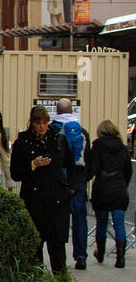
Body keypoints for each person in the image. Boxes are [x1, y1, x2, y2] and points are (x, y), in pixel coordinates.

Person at [11, 105, 77, 274]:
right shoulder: (22, 142)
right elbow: (15, 173)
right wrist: (33, 165)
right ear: (31, 123)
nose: (42, 126)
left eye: (45, 122)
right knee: (35, 246)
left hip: (57, 200)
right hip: (35, 200)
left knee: (57, 247)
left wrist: (71, 189)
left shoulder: (58, 139)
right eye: (38, 122)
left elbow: (71, 166)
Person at [52, 98, 91, 269]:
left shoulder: (53, 129)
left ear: (57, 111)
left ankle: (58, 254)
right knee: (79, 217)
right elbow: (86, 157)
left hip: (58, 177)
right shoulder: (82, 131)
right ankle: (80, 256)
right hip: (78, 178)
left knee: (55, 217)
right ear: (72, 111)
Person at [87, 119, 132, 267]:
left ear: (100, 132)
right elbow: (128, 171)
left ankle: (100, 254)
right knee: (119, 223)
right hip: (119, 189)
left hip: (102, 189)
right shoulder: (123, 148)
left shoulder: (97, 147)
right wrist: (122, 184)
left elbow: (93, 170)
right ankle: (120, 258)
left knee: (101, 223)